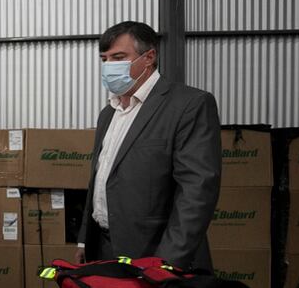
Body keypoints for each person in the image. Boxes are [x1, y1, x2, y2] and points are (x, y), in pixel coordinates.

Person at [77, 21, 221, 272]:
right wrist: (84, 239)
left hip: (153, 251)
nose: (109, 66)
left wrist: (167, 263)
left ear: (149, 57)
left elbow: (196, 191)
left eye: (119, 57)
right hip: (102, 248)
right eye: (105, 59)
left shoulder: (189, 105)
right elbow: (100, 181)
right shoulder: (109, 113)